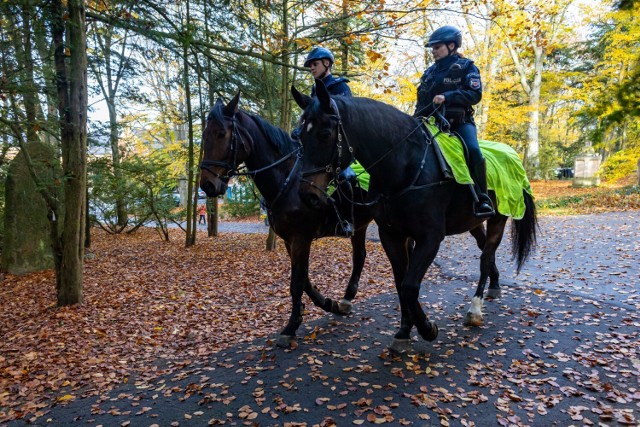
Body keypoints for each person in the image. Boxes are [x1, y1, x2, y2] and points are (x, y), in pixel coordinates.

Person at [414, 25, 494, 218]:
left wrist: (447, 97)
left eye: (437, 47)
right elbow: (422, 102)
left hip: (460, 123)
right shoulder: (429, 73)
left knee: (473, 150)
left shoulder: (467, 67)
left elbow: (475, 94)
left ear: (452, 45)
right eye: (432, 48)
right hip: (432, 124)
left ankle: (482, 198)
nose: (433, 51)